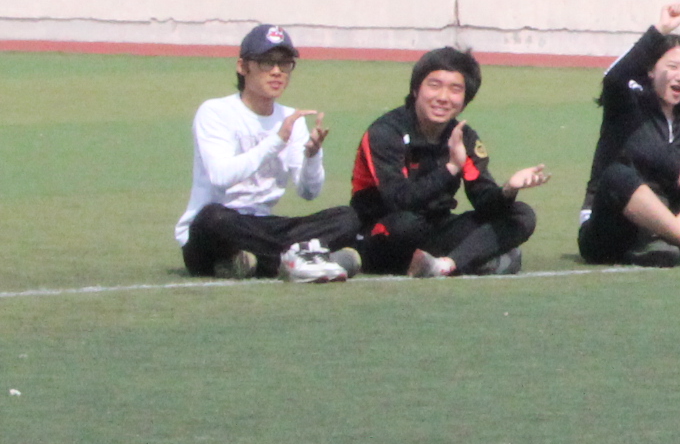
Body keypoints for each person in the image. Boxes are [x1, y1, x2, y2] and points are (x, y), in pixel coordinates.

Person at [176, 23, 359, 281]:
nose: (276, 72)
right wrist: (276, 141)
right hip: (220, 227)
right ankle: (303, 257)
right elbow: (220, 176)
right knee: (212, 219)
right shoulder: (215, 112)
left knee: (347, 218)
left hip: (262, 226)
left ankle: (258, 262)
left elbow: (308, 192)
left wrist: (312, 156)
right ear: (243, 67)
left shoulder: (291, 119)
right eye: (266, 62)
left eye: (284, 64)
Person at [574, 5, 680, 268]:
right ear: (651, 71)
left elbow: (675, 190)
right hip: (609, 230)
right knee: (617, 175)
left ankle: (662, 242)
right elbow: (614, 78)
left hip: (660, 223)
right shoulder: (626, 104)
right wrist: (659, 31)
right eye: (673, 67)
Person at [349, 46, 547, 277]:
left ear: (465, 99)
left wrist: (508, 190)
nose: (443, 98)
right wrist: (451, 168)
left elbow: (483, 200)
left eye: (455, 89)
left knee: (521, 215)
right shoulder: (385, 132)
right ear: (416, 89)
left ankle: (446, 265)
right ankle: (478, 258)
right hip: (383, 232)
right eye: (434, 85)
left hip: (435, 229)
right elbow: (398, 200)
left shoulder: (464, 137)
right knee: (406, 225)